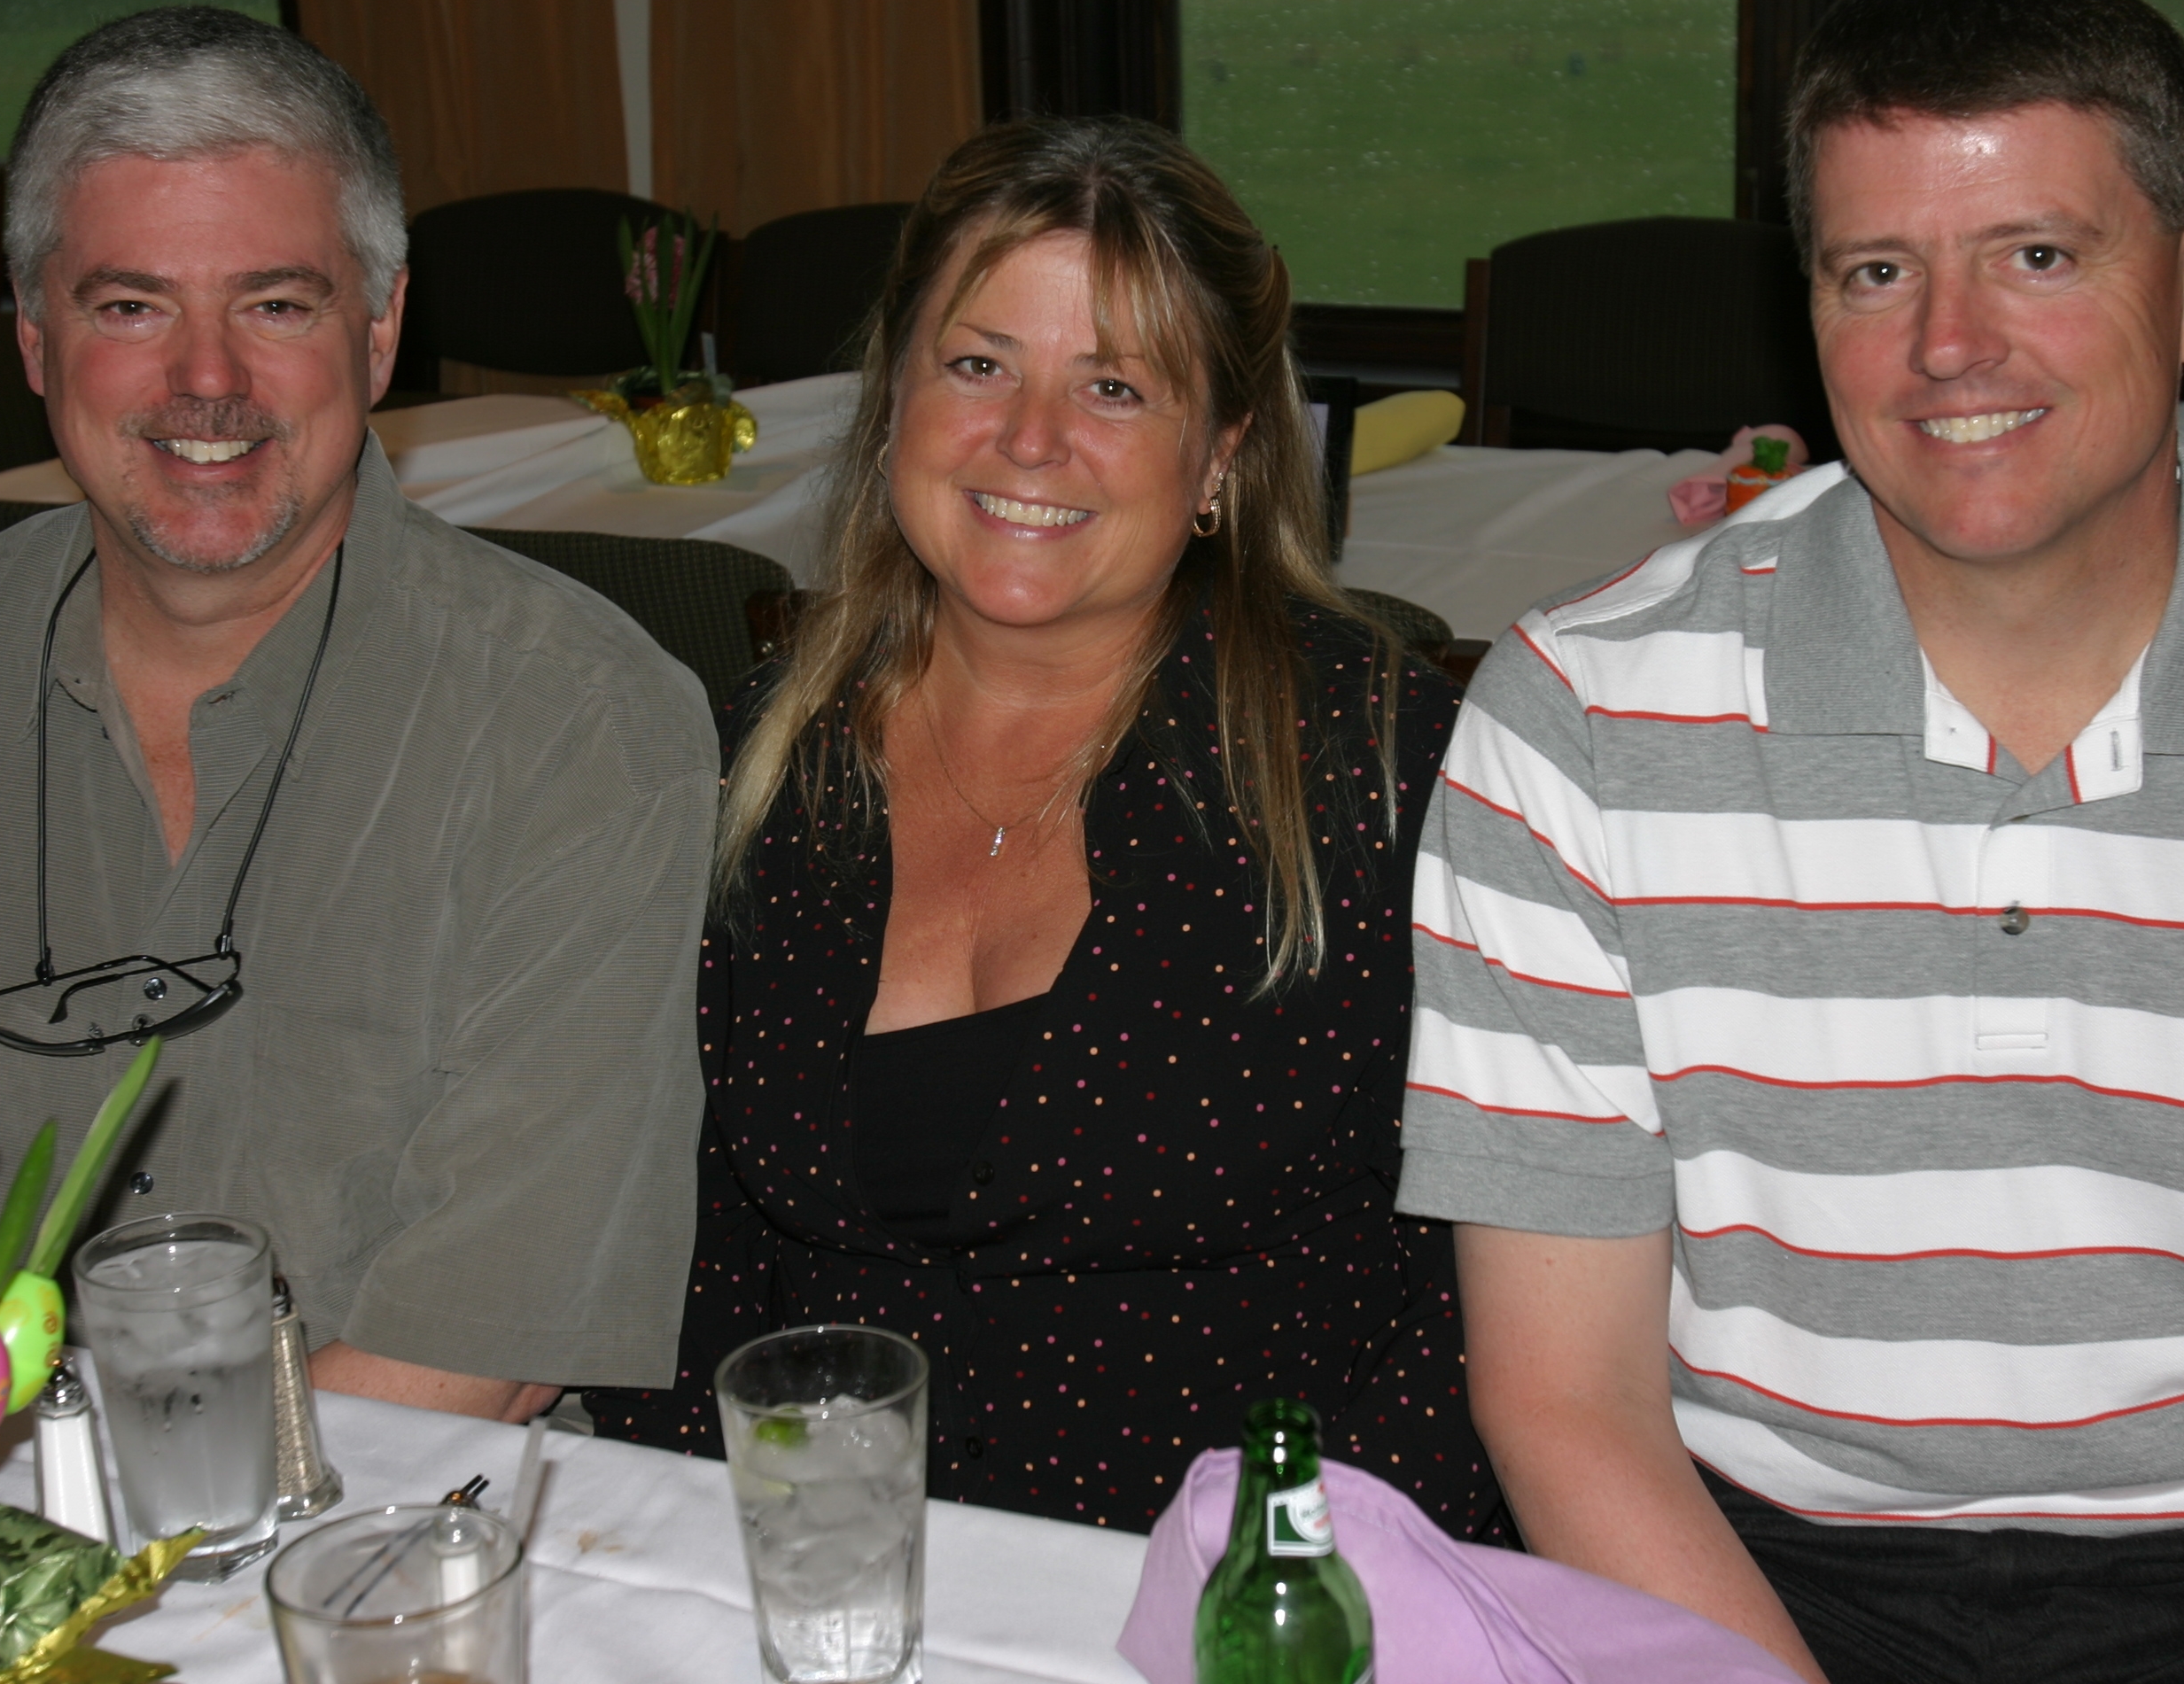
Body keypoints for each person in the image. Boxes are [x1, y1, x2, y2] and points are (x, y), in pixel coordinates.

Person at [1398, 0, 2184, 1684]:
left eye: (2037, 255)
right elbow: (1568, 1404)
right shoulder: (1580, 718)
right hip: (1739, 1582)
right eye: (1877, 271)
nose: (1950, 346)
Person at [0, 8, 716, 1422]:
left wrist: (112, 1519)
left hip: (378, 1521)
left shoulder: (580, 724)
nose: (207, 381)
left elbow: (479, 1350)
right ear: (34, 337)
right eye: (131, 306)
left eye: (277, 305)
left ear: (380, 332)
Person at [586, 116, 1501, 1538]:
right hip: (823, 1563)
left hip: (1242, 1578)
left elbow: (1491, 1313)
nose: (1029, 438)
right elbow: (685, 1237)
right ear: (895, 397)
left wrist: (1283, 1593)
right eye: (979, 365)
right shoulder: (763, 756)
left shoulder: (1376, 769)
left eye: (1115, 387)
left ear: (1222, 455)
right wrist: (698, 1543)